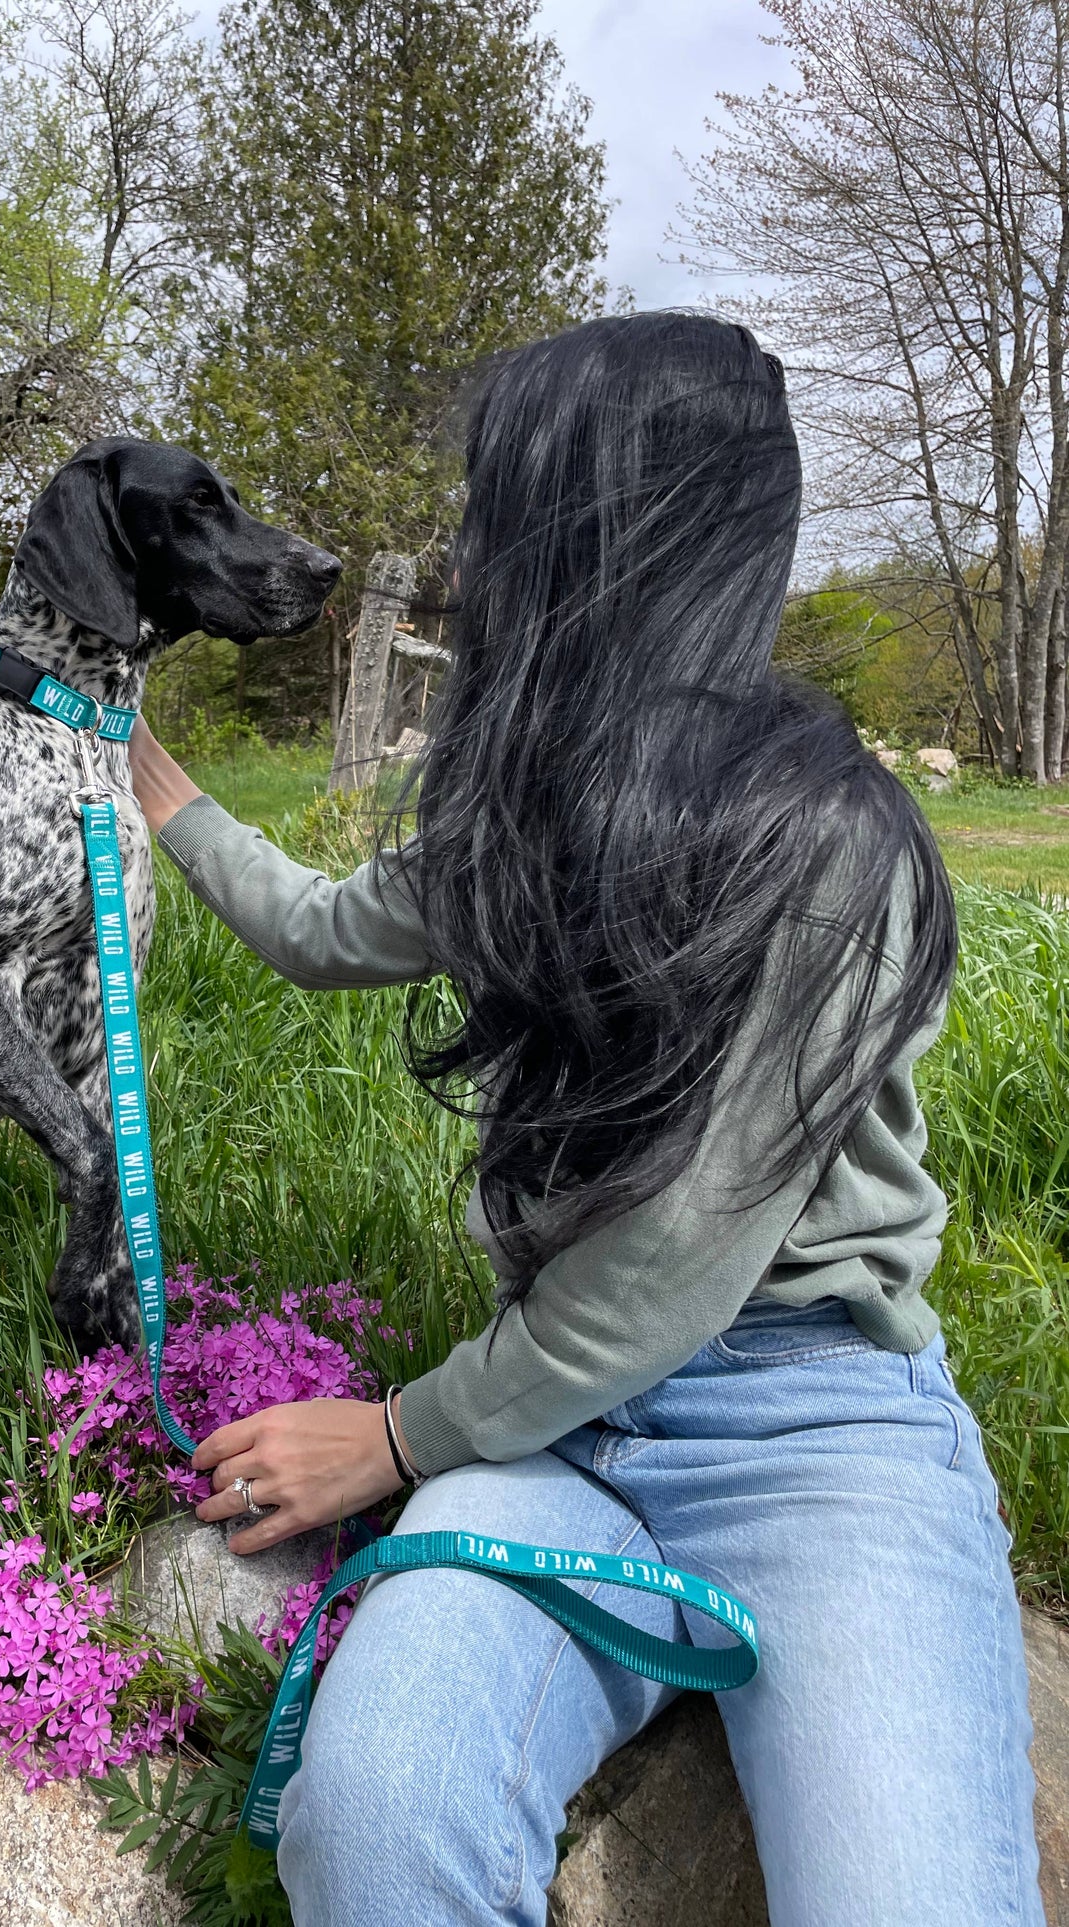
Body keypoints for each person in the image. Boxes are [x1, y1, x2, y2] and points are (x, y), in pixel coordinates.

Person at [126, 313, 1041, 1927]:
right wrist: (150, 775)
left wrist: (395, 1440)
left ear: (591, 537)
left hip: (814, 1432)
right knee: (373, 1822)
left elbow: (681, 1253)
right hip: (556, 1429)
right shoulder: (524, 808)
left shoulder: (824, 843)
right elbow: (326, 930)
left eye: (502, 508)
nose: (475, 556)